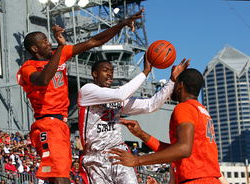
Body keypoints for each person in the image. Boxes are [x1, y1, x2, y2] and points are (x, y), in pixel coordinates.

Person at [17, 8, 145, 184]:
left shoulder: (58, 57)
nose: (49, 44)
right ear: (34, 48)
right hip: (47, 123)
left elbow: (94, 41)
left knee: (61, 175)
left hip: (61, 124)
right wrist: (61, 47)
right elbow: (43, 80)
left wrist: (122, 24)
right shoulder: (28, 68)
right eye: (45, 41)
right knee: (59, 175)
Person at [77, 53, 189, 184]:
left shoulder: (117, 99)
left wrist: (172, 81)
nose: (110, 74)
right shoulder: (87, 91)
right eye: (105, 70)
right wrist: (145, 72)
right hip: (95, 159)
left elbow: (150, 105)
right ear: (95, 74)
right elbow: (120, 94)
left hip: (118, 153)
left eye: (112, 72)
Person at [109, 69, 222, 184]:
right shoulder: (202, 111)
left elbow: (183, 149)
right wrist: (141, 134)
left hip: (195, 180)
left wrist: (137, 160)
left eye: (175, 82)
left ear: (180, 85)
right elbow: (176, 151)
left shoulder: (184, 108)